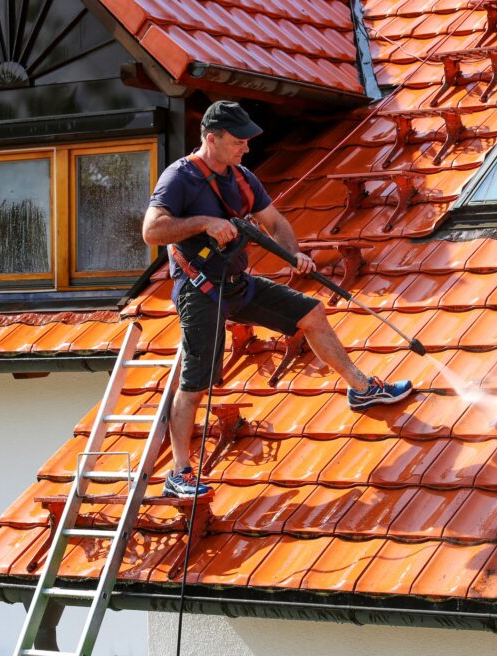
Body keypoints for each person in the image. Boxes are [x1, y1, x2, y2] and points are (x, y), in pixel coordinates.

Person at [143, 100, 414, 498]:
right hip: (200, 290)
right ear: (211, 139)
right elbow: (152, 232)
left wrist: (295, 254)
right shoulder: (179, 178)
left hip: (237, 283)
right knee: (197, 381)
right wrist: (204, 222)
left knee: (312, 312)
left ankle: (359, 388)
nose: (245, 149)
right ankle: (179, 472)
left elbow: (275, 223)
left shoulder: (242, 177)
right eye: (238, 142)